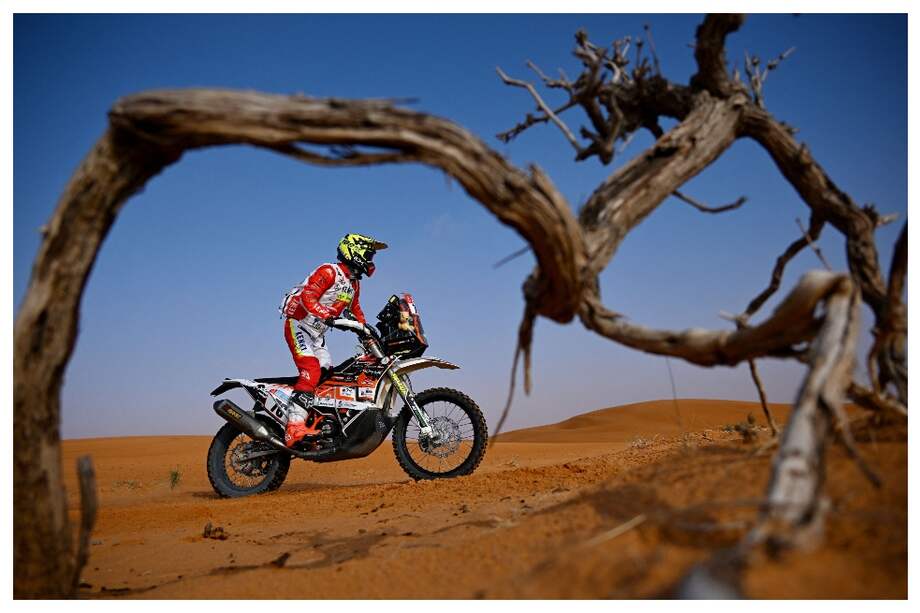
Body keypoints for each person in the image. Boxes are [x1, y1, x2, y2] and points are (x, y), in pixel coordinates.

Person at [279, 233, 388, 447]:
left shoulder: (354, 283)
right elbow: (307, 297)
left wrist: (366, 330)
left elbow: (355, 309)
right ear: (354, 251)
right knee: (311, 369)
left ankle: (312, 416)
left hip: (316, 334)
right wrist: (327, 315)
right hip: (298, 325)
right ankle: (293, 425)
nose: (370, 260)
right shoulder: (329, 271)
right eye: (368, 254)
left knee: (328, 373)